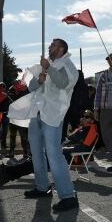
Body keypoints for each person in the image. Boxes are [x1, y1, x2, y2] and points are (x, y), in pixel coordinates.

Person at [15, 38, 79, 212]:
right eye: (50, 44)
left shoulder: (67, 65)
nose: (50, 47)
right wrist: (40, 80)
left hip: (53, 115)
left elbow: (63, 83)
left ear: (62, 49)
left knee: (53, 153)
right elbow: (32, 88)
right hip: (37, 114)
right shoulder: (46, 65)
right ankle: (43, 188)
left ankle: (68, 196)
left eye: (53, 45)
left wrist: (48, 69)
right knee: (36, 152)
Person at [0, 110, 98, 187]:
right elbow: (68, 139)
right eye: (83, 116)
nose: (83, 118)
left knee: (38, 161)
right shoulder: (81, 128)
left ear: (92, 120)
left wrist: (63, 149)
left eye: (87, 117)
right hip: (63, 154)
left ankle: (5, 172)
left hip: (72, 157)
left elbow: (84, 147)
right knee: (36, 161)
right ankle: (5, 173)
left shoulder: (91, 129)